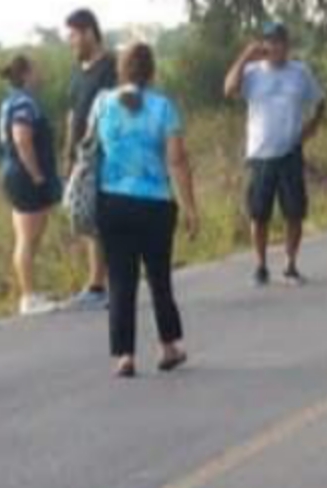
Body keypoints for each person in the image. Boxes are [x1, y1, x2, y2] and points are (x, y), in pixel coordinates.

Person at [92, 42, 200, 378]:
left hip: (112, 201)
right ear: (151, 71)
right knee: (158, 278)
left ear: (121, 70)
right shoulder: (163, 108)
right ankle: (168, 346)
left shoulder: (103, 104)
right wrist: (190, 206)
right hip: (155, 203)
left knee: (121, 281)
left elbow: (87, 149)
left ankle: (124, 355)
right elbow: (177, 160)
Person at [224, 21, 325, 287]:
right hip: (260, 154)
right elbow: (229, 89)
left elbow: (319, 101)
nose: (274, 47)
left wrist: (310, 129)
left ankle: (290, 266)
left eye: (279, 41)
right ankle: (260, 265)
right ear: (264, 44)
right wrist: (246, 55)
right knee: (259, 214)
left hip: (290, 151)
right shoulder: (253, 73)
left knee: (294, 212)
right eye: (269, 41)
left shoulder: (300, 72)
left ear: (286, 45)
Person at [62, 8, 117, 312]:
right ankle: (97, 284)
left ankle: (101, 284)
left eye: (73, 35)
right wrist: (67, 153)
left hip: (105, 152)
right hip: (82, 154)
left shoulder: (110, 67)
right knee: (84, 215)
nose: (71, 42)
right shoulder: (78, 71)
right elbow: (72, 115)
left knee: (99, 217)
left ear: (88, 32)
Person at [0, 55, 61, 316]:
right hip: (24, 176)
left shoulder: (10, 101)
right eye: (36, 69)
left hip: (14, 173)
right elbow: (22, 140)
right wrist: (36, 174)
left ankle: (30, 291)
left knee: (29, 236)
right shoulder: (23, 103)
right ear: (25, 74)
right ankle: (28, 297)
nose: (40, 73)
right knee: (26, 237)